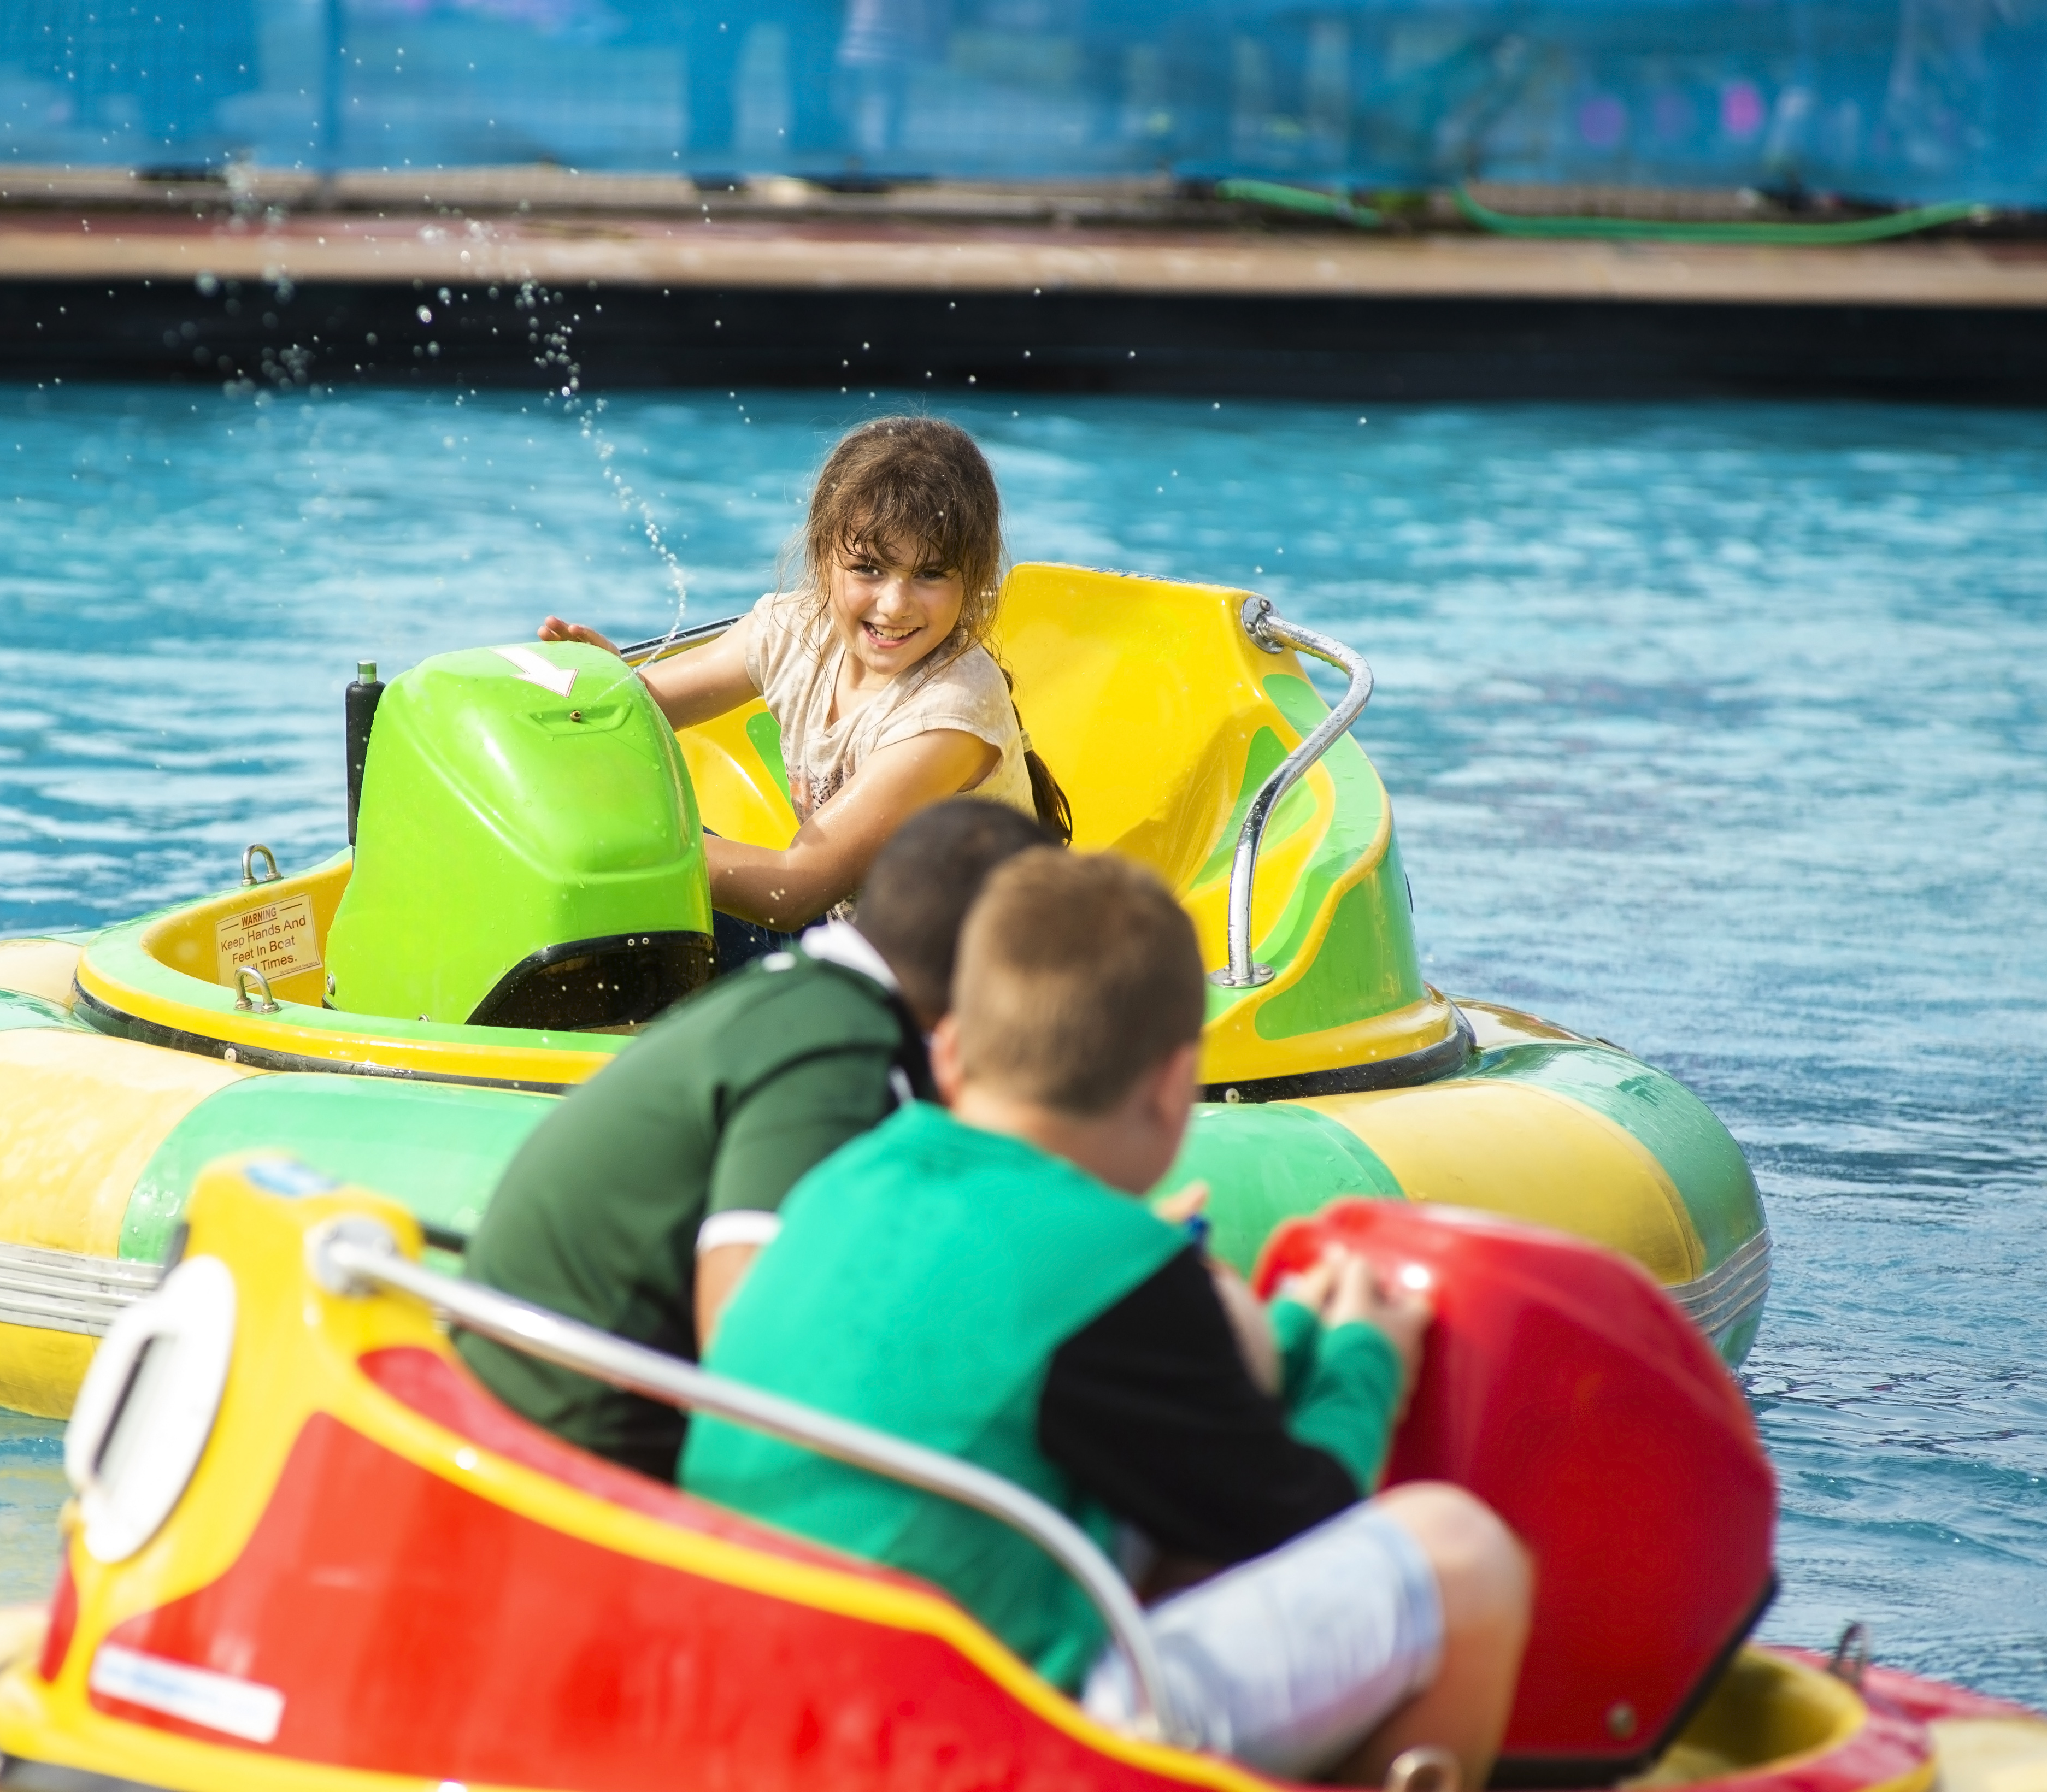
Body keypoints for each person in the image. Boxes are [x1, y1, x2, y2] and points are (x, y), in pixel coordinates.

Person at [680, 851, 1533, 1785]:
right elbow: (1300, 1517)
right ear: (1172, 1089)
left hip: (763, 1689)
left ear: (951, 1052)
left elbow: (1159, 1433)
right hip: (952, 1737)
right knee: (1463, 1556)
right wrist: (1364, 1359)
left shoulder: (846, 1178)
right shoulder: (1115, 1265)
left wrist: (1288, 1335)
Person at [457, 798, 1055, 1482]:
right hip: (577, 1451)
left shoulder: (805, 1001)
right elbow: (748, 1346)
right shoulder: (835, 1046)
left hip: (539, 1401)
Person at [537, 415, 1061, 970]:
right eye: (868, 568)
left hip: (958, 986)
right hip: (851, 939)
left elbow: (791, 891)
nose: (894, 605)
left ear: (972, 577)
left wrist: (623, 846)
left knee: (637, 868)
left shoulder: (949, 713)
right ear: (822, 555)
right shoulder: (796, 632)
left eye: (930, 574)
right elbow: (638, 713)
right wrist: (606, 688)